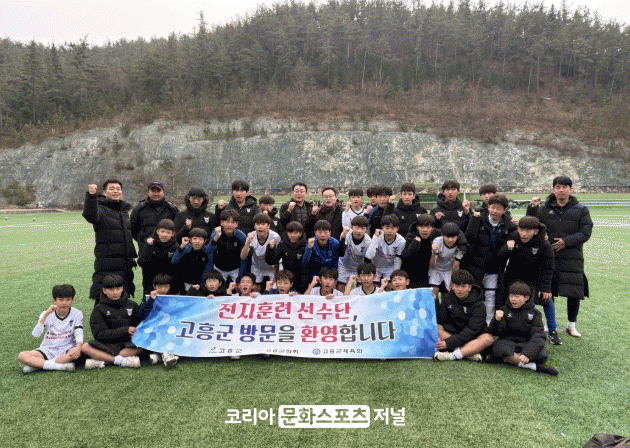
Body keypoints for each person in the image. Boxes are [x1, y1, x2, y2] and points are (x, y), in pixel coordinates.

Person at [527, 176, 593, 338]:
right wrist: (533, 208)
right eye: (558, 187)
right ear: (553, 189)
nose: (561, 190)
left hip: (573, 257)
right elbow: (532, 225)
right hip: (549, 256)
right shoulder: (544, 208)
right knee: (548, 290)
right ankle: (550, 323)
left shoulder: (581, 209)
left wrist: (566, 242)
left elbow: (586, 231)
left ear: (571, 189)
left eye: (564, 187)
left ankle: (571, 325)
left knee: (574, 292)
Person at [499, 216, 560, 345]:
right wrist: (506, 248)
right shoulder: (513, 237)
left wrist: (545, 288)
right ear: (518, 229)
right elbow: (499, 257)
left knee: (547, 299)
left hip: (535, 279)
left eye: (528, 230)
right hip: (514, 278)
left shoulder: (544, 243)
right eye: (521, 230)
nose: (524, 234)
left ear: (536, 231)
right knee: (508, 300)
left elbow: (548, 267)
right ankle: (505, 328)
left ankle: (552, 330)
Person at [485, 282, 559, 376]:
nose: (513, 299)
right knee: (497, 347)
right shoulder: (504, 310)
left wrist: (527, 353)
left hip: (525, 344)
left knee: (542, 354)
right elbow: (494, 332)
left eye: (517, 296)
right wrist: (496, 320)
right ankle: (534, 367)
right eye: (511, 296)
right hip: (507, 344)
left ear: (526, 298)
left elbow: (539, 335)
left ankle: (507, 359)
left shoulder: (535, 313)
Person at [463, 194, 515, 323]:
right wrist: (474, 220)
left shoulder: (509, 225)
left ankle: (488, 324)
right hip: (475, 267)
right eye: (492, 207)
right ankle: (471, 323)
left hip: (494, 268)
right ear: (488, 207)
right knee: (472, 295)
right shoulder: (478, 219)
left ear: (505, 210)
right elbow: (469, 238)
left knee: (491, 296)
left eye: (498, 208)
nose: (494, 211)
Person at [83, 180, 137, 303]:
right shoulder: (100, 208)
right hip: (107, 264)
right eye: (111, 189)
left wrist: (132, 255)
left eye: (118, 189)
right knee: (104, 298)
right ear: (104, 192)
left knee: (123, 298)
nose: (115, 191)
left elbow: (127, 236)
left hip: (124, 264)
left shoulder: (123, 211)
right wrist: (91, 196)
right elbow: (90, 215)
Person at [81, 274, 145, 369]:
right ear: (104, 290)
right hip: (108, 344)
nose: (115, 292)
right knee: (85, 347)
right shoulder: (98, 309)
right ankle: (121, 360)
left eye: (118, 289)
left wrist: (136, 332)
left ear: (122, 288)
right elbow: (99, 334)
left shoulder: (132, 305)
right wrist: (125, 330)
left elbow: (141, 325)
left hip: (128, 344)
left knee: (145, 341)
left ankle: (104, 359)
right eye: (111, 289)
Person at [18, 284, 83, 373]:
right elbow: (35, 334)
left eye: (68, 299)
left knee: (77, 352)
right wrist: (46, 314)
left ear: (72, 300)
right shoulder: (46, 314)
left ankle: (39, 365)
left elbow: (79, 332)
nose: (64, 303)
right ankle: (58, 366)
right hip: (47, 349)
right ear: (54, 300)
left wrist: (78, 347)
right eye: (61, 299)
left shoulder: (77, 313)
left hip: (66, 349)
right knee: (21, 356)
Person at [433, 270, 486, 362]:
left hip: (472, 337)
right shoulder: (447, 298)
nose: (460, 289)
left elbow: (472, 330)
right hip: (453, 333)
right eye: (457, 286)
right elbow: (441, 320)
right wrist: (435, 302)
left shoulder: (479, 304)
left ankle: (452, 355)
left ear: (469, 287)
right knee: (437, 327)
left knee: (488, 338)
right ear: (452, 286)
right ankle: (467, 352)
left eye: (463, 286)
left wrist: (449, 342)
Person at [140, 274, 179, 368]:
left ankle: (157, 357)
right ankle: (166, 355)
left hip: (170, 325)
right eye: (160, 287)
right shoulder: (149, 298)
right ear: (154, 286)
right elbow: (142, 315)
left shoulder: (174, 298)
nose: (163, 289)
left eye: (166, 286)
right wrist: (150, 300)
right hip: (153, 326)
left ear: (170, 287)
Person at [130, 181, 179, 254]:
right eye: (153, 191)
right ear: (148, 192)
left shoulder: (172, 209)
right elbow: (132, 230)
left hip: (168, 252)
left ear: (163, 192)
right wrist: (144, 241)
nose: (156, 194)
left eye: (158, 191)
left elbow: (177, 228)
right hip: (146, 251)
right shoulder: (139, 209)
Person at [240, 213, 282, 292]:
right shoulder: (251, 236)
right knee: (254, 289)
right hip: (257, 266)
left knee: (274, 288)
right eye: (258, 224)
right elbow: (243, 257)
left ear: (268, 226)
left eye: (263, 224)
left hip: (271, 267)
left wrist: (275, 278)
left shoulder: (275, 237)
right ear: (254, 226)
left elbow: (277, 260)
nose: (260, 227)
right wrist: (248, 243)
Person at [137, 218, 179, 295]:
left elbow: (177, 268)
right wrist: (148, 247)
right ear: (157, 231)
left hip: (168, 284)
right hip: (150, 282)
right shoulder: (150, 243)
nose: (165, 235)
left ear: (172, 234)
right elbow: (141, 262)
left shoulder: (175, 247)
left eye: (168, 232)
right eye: (162, 231)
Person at [265, 221, 309, 293]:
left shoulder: (306, 245)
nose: (292, 235)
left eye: (295, 233)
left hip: (302, 278)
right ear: (287, 233)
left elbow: (308, 263)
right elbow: (272, 261)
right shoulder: (282, 244)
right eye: (290, 232)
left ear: (300, 233)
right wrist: (270, 249)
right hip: (287, 279)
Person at [401, 214, 441, 288]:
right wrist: (415, 243)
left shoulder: (436, 235)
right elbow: (404, 257)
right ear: (417, 227)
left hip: (425, 274)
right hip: (410, 272)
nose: (425, 230)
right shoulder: (411, 236)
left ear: (432, 227)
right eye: (422, 227)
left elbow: (451, 232)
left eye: (428, 227)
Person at [209, 209, 248, 283]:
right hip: (218, 268)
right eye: (227, 222)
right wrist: (217, 237)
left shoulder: (241, 236)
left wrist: (241, 275)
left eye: (233, 222)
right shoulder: (216, 233)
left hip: (235, 268)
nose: (230, 225)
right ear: (221, 222)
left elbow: (243, 258)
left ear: (237, 224)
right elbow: (210, 250)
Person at [428, 222, 465, 299]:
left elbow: (456, 266)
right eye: (447, 237)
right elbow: (432, 265)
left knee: (452, 290)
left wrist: (453, 280)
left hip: (449, 270)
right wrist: (434, 253)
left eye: (453, 237)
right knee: (433, 293)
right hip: (436, 269)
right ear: (442, 235)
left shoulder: (460, 246)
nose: (450, 240)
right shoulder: (437, 242)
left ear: (458, 236)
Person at [171, 228, 213, 293]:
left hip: (199, 284)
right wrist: (181, 247)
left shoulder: (206, 252)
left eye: (200, 239)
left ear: (204, 241)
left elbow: (207, 269)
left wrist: (201, 285)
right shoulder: (185, 249)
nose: (197, 241)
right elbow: (174, 261)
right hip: (183, 282)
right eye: (195, 239)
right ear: (190, 240)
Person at [365, 214, 406, 281]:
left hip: (390, 268)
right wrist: (375, 238)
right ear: (382, 227)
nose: (390, 231)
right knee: (374, 285)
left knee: (390, 285)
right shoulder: (377, 237)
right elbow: (369, 256)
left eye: (393, 228)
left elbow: (397, 260)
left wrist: (395, 275)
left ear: (397, 229)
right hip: (375, 267)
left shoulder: (401, 241)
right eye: (387, 228)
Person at [337, 215, 372, 290]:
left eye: (362, 228)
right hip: (344, 266)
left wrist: (363, 273)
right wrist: (343, 237)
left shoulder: (368, 242)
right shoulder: (346, 235)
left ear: (366, 229)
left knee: (361, 289)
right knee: (340, 287)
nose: (359, 231)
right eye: (357, 228)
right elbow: (341, 253)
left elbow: (368, 261)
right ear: (351, 227)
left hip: (359, 267)